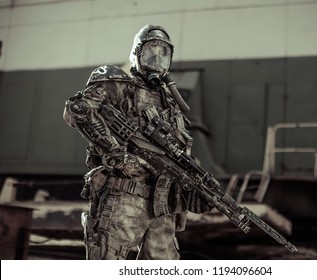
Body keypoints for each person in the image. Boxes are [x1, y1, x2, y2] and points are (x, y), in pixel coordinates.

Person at [63, 24, 210, 260]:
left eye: (164, 54)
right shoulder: (119, 84)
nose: (158, 58)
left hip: (164, 207)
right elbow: (78, 110)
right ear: (137, 53)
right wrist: (118, 155)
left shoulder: (170, 103)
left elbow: (179, 152)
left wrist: (194, 188)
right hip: (124, 198)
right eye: (151, 51)